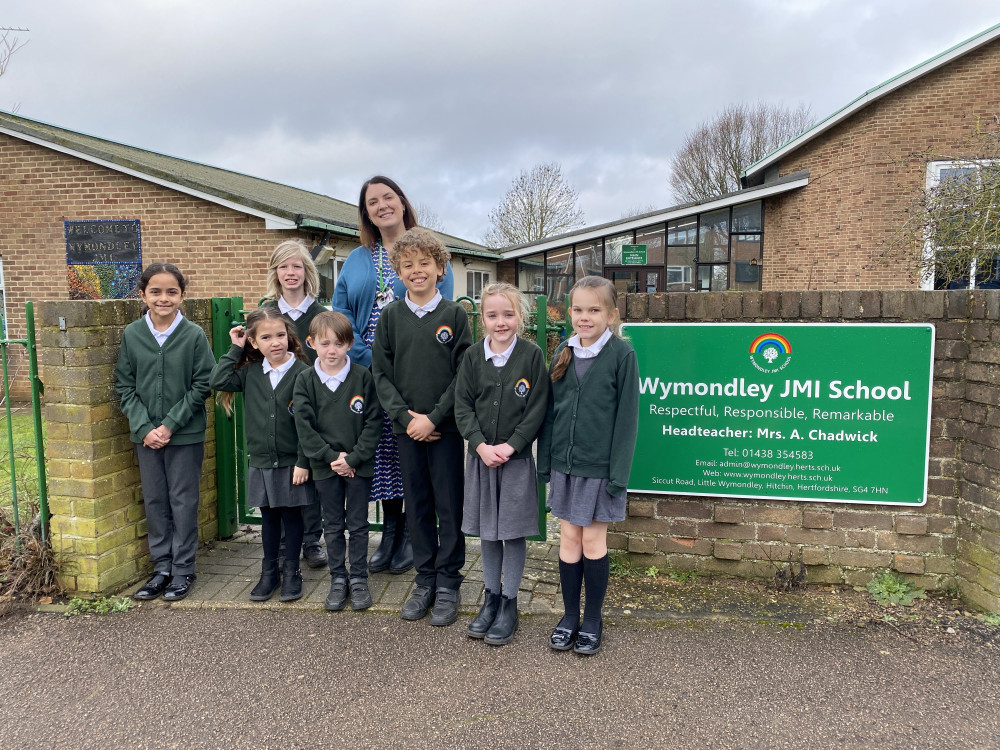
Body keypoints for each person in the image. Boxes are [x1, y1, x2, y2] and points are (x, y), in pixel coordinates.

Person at [332, 176, 454, 577]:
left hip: (416, 365)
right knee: (381, 450)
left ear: (402, 203)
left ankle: (412, 538)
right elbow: (342, 310)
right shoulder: (356, 259)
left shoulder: (427, 253)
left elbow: (443, 306)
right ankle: (392, 531)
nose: (381, 205)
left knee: (410, 448)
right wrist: (366, 355)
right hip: (368, 367)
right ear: (366, 212)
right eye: (372, 201)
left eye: (388, 197)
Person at [372, 227, 472, 626]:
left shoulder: (454, 315)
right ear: (398, 270)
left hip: (444, 430)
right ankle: (425, 579)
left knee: (448, 506)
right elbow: (381, 374)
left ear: (440, 268)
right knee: (417, 506)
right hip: (406, 430)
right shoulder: (391, 316)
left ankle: (449, 582)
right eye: (408, 264)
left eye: (425, 263)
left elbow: (464, 372)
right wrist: (406, 418)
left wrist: (434, 417)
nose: (417, 271)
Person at [537, 276, 639, 655]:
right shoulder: (562, 352)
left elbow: (628, 421)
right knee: (568, 540)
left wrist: (619, 477)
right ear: (569, 313)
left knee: (593, 541)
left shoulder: (622, 356)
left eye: (594, 310)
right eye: (578, 309)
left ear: (611, 315)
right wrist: (545, 462)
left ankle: (592, 618)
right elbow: (550, 414)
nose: (585, 317)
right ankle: (568, 615)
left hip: (600, 470)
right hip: (565, 465)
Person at [454, 283, 549, 646]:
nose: (501, 322)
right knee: (488, 532)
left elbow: (537, 406)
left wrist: (512, 445)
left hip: (515, 460)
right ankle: (490, 597)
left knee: (511, 531)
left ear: (520, 317)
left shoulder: (531, 356)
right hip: (481, 460)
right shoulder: (473, 358)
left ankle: (510, 603)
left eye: (508, 314)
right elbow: (462, 406)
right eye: (493, 315)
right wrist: (479, 445)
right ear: (483, 320)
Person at [115, 263, 215, 602]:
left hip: (184, 435)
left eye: (172, 291)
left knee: (183, 501)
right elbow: (125, 387)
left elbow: (204, 384)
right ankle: (161, 568)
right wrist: (145, 428)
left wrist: (169, 424)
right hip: (146, 437)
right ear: (142, 295)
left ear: (182, 295)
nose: (164, 298)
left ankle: (183, 569)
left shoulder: (193, 335)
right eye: (155, 291)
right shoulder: (132, 334)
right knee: (156, 500)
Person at [210, 307, 312, 602]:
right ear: (254, 343)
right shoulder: (250, 373)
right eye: (265, 337)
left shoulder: (303, 373)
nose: (275, 342)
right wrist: (234, 347)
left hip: (293, 461)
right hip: (263, 460)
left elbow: (310, 423)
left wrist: (304, 461)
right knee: (269, 517)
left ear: (288, 336)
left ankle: (292, 572)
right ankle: (269, 572)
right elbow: (217, 379)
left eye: (280, 335)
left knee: (292, 517)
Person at [293, 311, 382, 611]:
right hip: (325, 467)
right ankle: (338, 579)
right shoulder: (305, 379)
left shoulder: (362, 377)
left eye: (339, 344)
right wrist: (333, 458)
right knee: (331, 525)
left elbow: (373, 424)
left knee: (357, 524)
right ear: (311, 343)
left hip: (359, 467)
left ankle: (358, 579)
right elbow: (305, 428)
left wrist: (353, 458)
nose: (332, 350)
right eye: (325, 343)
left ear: (350, 344)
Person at [261, 239, 328, 570]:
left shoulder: (319, 314)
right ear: (276, 271)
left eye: (297, 266)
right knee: (284, 472)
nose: (291, 272)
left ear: (307, 272)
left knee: (311, 470)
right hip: (276, 407)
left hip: (312, 405)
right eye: (284, 266)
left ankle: (312, 538)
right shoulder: (266, 313)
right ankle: (288, 539)